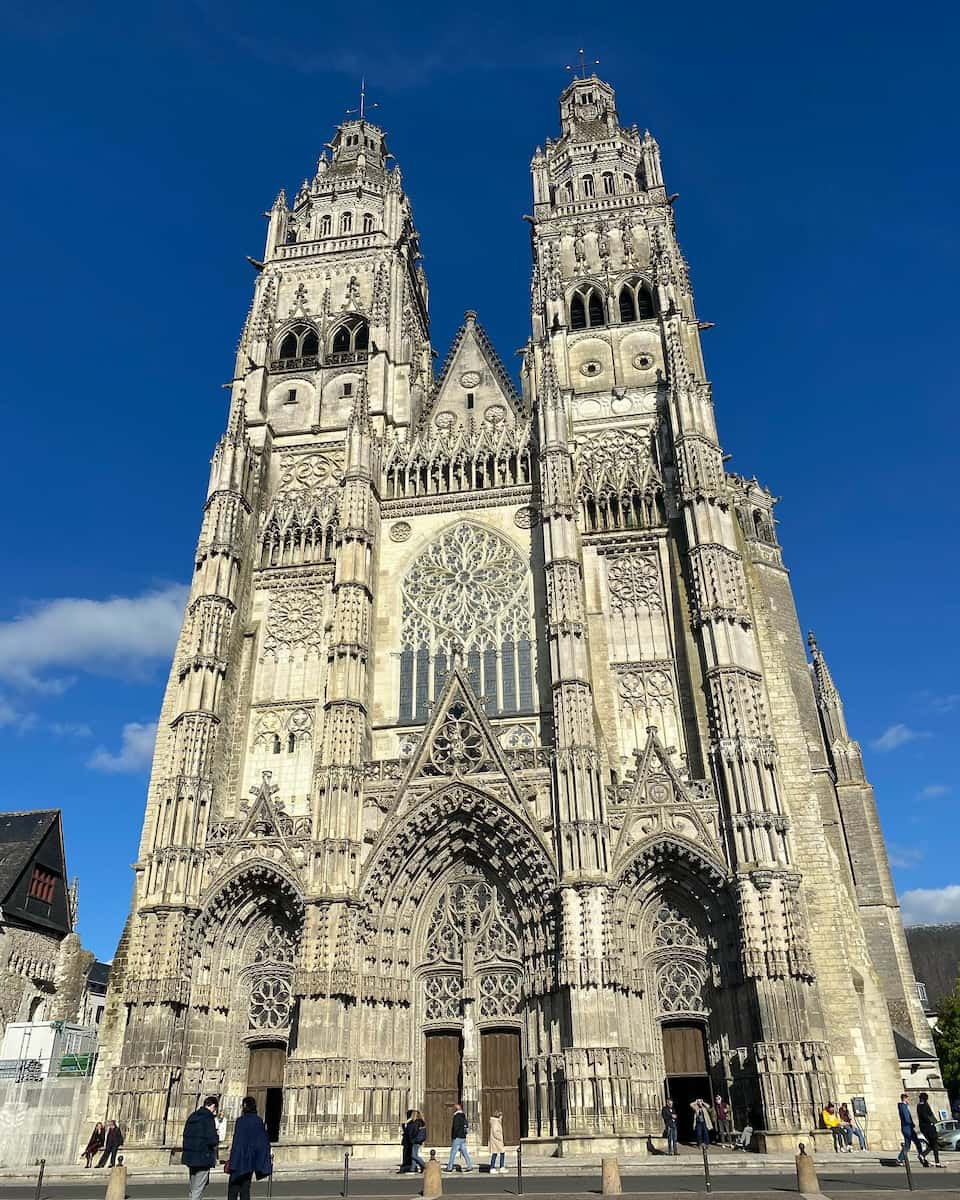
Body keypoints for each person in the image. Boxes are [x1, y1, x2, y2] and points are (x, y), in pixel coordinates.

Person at [225, 1096, 273, 1200]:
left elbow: (237, 1142)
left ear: (245, 1106)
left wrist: (233, 1159)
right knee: (245, 1188)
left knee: (233, 1188)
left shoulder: (240, 1121)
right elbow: (263, 1141)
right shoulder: (259, 1121)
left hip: (239, 1159)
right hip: (251, 1160)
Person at [182, 1095, 221, 1200]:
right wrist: (217, 1136)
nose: (215, 1112)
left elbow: (185, 1135)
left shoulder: (192, 1116)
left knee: (193, 1188)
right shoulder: (208, 1118)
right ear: (213, 1106)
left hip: (191, 1157)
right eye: (215, 1109)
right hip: (203, 1157)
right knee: (198, 1189)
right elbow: (212, 1140)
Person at [896, 1093, 929, 1167]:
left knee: (907, 1145)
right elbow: (906, 1117)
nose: (908, 1100)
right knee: (917, 1142)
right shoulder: (903, 1106)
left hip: (905, 1128)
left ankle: (899, 1159)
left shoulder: (902, 1106)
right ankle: (921, 1156)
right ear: (904, 1099)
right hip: (908, 1128)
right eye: (907, 1099)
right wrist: (911, 1124)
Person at [917, 1092, 944, 1168]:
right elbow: (927, 1116)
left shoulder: (918, 1106)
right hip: (929, 1127)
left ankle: (922, 1155)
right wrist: (933, 1122)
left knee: (932, 1145)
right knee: (934, 1144)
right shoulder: (925, 1105)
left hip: (923, 1128)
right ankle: (937, 1162)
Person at [444, 1103, 473, 1172]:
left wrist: (454, 1136)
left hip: (457, 1137)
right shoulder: (463, 1116)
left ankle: (449, 1167)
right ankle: (469, 1166)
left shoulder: (457, 1116)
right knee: (464, 1151)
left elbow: (455, 1127)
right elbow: (466, 1126)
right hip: (463, 1136)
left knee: (453, 1152)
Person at [488, 1109, 506, 1174]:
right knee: (501, 1153)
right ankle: (498, 1167)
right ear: (499, 1116)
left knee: (495, 1153)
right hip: (497, 1141)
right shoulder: (496, 1122)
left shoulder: (495, 1121)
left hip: (495, 1141)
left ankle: (494, 1167)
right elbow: (495, 1132)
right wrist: (500, 1138)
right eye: (501, 1116)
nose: (502, 1117)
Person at [399, 1108, 414, 1173]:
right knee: (406, 1153)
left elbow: (408, 1132)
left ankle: (408, 1165)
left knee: (408, 1153)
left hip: (408, 1141)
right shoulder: (409, 1122)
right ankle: (407, 1165)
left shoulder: (410, 1122)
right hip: (407, 1141)